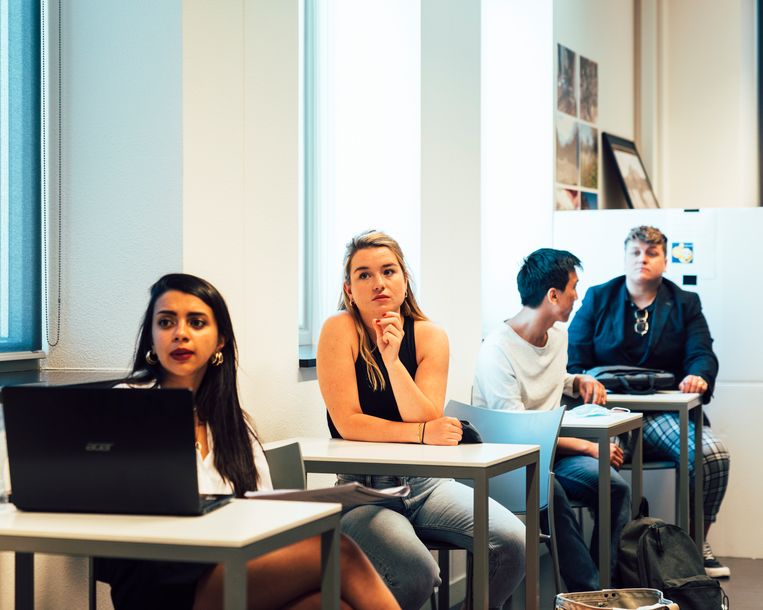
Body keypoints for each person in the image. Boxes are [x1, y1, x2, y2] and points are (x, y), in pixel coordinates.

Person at [95, 273, 400, 610]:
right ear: (152, 337)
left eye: (196, 322)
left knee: (327, 605)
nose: (180, 333)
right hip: (160, 581)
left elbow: (260, 507)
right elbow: (101, 509)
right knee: (340, 552)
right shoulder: (127, 405)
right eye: (166, 322)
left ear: (220, 341)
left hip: (229, 565)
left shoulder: (231, 421)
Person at [316, 230, 526, 610]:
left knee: (514, 541)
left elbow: (428, 414)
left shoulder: (430, 336)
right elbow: (349, 423)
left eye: (388, 271)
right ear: (349, 289)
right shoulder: (338, 330)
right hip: (365, 494)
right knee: (417, 574)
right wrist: (421, 433)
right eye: (364, 275)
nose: (378, 283)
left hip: (427, 485)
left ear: (404, 279)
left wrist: (393, 361)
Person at [567, 225, 731, 578]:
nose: (643, 259)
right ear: (625, 257)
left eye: (651, 253)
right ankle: (613, 568)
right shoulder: (598, 297)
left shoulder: (685, 302)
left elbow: (702, 353)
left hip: (660, 416)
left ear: (665, 260)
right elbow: (573, 357)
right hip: (606, 413)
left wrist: (698, 375)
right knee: (600, 469)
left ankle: (694, 546)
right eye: (636, 252)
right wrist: (583, 377)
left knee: (713, 456)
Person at [472, 248, 631, 591]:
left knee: (615, 486)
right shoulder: (496, 351)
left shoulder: (558, 337)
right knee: (551, 491)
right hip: (509, 462)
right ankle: (587, 593)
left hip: (549, 453)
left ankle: (609, 585)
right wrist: (585, 446)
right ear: (553, 294)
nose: (577, 295)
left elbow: (552, 378)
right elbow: (514, 433)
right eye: (573, 287)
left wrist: (577, 381)